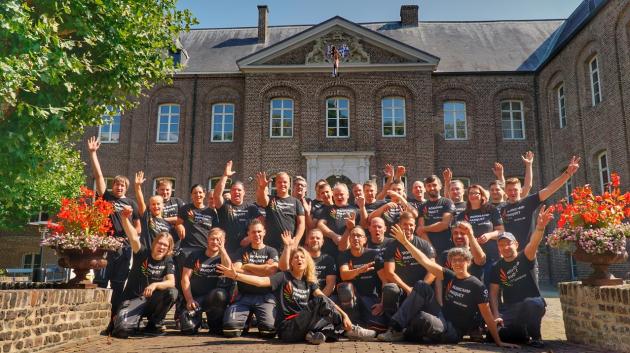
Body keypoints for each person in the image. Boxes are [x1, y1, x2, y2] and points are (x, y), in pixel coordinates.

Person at [376, 224, 518, 348]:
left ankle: (408, 333)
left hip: (453, 331)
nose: (457, 263)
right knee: (421, 285)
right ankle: (396, 329)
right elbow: (424, 260)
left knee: (423, 319)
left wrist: (499, 342)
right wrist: (406, 242)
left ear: (468, 263)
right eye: (454, 261)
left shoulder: (477, 286)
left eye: (461, 260)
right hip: (442, 315)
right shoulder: (450, 275)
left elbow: (487, 317)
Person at [217, 246, 377, 344]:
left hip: (303, 325)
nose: (299, 259)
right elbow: (260, 282)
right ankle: (348, 331)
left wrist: (345, 315)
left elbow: (327, 300)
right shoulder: (283, 276)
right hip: (288, 328)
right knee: (320, 303)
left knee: (325, 315)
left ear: (307, 262)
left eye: (302, 257)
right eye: (296, 257)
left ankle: (313, 335)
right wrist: (236, 276)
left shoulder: (309, 282)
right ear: (291, 262)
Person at [87, 136, 141, 316]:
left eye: (123, 185)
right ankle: (96, 315)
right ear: (113, 186)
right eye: (117, 184)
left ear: (127, 188)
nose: (119, 187)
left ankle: (114, 316)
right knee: (101, 282)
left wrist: (129, 237)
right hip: (106, 245)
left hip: (124, 248)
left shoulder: (131, 204)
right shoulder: (106, 198)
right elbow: (98, 175)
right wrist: (93, 153)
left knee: (118, 284)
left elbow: (138, 228)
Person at [490, 205, 555, 348]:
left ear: (516, 244)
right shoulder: (497, 266)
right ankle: (522, 333)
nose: (505, 247)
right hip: (511, 308)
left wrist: (540, 227)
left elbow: (534, 242)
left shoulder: (525, 256)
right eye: (501, 245)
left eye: (508, 243)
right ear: (498, 248)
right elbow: (493, 293)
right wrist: (496, 315)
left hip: (531, 304)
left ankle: (536, 337)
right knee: (493, 333)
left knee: (533, 304)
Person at [112, 206, 177, 338]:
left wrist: (155, 285)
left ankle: (154, 324)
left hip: (150, 302)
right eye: (160, 243)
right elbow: (134, 237)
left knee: (172, 292)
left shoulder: (168, 260)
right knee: (122, 331)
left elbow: (171, 282)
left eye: (165, 245)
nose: (162, 247)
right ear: (155, 243)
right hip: (133, 300)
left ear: (169, 248)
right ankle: (133, 321)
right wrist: (125, 218)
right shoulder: (142, 253)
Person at [501, 156, 579, 248]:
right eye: (509, 190)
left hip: (528, 252)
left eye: (515, 189)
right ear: (505, 191)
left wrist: (567, 173)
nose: (512, 192)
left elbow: (550, 189)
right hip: (507, 252)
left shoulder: (527, 202)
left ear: (521, 190)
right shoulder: (502, 208)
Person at [222, 220, 279, 338]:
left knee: (269, 331)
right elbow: (236, 269)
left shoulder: (271, 251)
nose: (256, 235)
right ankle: (246, 320)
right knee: (230, 330)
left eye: (259, 231)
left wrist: (247, 266)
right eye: (253, 232)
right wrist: (263, 269)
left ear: (264, 232)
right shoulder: (242, 251)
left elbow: (272, 271)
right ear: (248, 234)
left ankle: (258, 318)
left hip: (265, 297)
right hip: (243, 296)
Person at [381, 212, 435, 315]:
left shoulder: (424, 244)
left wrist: (419, 290)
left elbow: (433, 270)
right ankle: (391, 325)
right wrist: (407, 289)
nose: (408, 227)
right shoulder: (392, 246)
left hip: (421, 289)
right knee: (389, 289)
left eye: (411, 225)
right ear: (399, 226)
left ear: (415, 226)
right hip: (401, 288)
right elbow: (389, 273)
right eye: (405, 224)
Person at [180, 228, 233, 334]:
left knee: (220, 294)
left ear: (223, 241)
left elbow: (230, 271)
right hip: (195, 299)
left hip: (214, 299)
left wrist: (222, 249)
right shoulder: (195, 255)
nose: (215, 242)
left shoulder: (223, 257)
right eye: (212, 239)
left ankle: (214, 324)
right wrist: (189, 299)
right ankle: (197, 321)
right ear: (207, 239)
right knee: (188, 330)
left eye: (219, 239)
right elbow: (185, 279)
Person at [337, 226, 385, 330]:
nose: (356, 238)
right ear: (349, 239)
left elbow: (385, 280)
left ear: (365, 239)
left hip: (371, 298)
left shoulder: (374, 254)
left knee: (377, 324)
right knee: (345, 288)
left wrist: (382, 303)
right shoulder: (344, 255)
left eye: (359, 236)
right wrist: (359, 270)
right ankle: (354, 326)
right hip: (353, 299)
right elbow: (344, 275)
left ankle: (363, 326)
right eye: (353, 236)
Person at [457, 184, 503, 284]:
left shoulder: (491, 210)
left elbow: (501, 231)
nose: (473, 195)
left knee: (492, 287)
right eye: (470, 193)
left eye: (476, 193)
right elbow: (458, 235)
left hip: (491, 255)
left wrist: (489, 235)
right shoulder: (462, 215)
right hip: (471, 257)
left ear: (482, 195)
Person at [213, 161, 261, 254]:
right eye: (234, 190)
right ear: (230, 192)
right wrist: (225, 176)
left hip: (246, 249)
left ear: (244, 192)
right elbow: (216, 195)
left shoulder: (251, 207)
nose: (236, 192)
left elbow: (262, 222)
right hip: (226, 250)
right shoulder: (225, 206)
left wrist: (250, 238)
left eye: (239, 190)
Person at [256, 171, 305, 252]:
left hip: (289, 245)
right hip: (270, 246)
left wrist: (295, 242)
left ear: (289, 184)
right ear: (275, 184)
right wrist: (262, 187)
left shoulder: (296, 202)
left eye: (285, 182)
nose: (282, 184)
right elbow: (262, 201)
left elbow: (301, 224)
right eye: (279, 182)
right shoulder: (270, 199)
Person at [280, 229, 337, 297]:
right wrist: (287, 246)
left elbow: (330, 285)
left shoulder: (328, 259)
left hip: (323, 298)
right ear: (307, 241)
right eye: (312, 238)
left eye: (318, 238)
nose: (315, 240)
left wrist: (319, 302)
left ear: (322, 241)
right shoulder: (300, 258)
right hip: (301, 296)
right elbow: (283, 269)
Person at [133, 171, 176, 250]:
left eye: (158, 204)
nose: (156, 206)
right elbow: (140, 201)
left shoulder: (168, 225)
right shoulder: (147, 218)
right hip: (147, 254)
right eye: (153, 204)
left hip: (161, 255)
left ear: (163, 206)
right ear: (149, 206)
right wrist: (137, 186)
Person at [416, 175, 456, 255]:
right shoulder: (422, 206)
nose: (432, 188)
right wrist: (430, 249)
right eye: (429, 186)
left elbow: (444, 225)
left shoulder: (447, 202)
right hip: (429, 249)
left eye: (434, 185)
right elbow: (421, 231)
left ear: (440, 186)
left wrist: (424, 228)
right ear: (425, 188)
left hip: (447, 248)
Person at [318, 183, 359, 258]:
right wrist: (334, 236)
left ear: (348, 195)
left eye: (341, 194)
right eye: (336, 195)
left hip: (349, 251)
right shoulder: (328, 209)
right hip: (330, 252)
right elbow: (320, 224)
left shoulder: (355, 210)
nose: (339, 197)